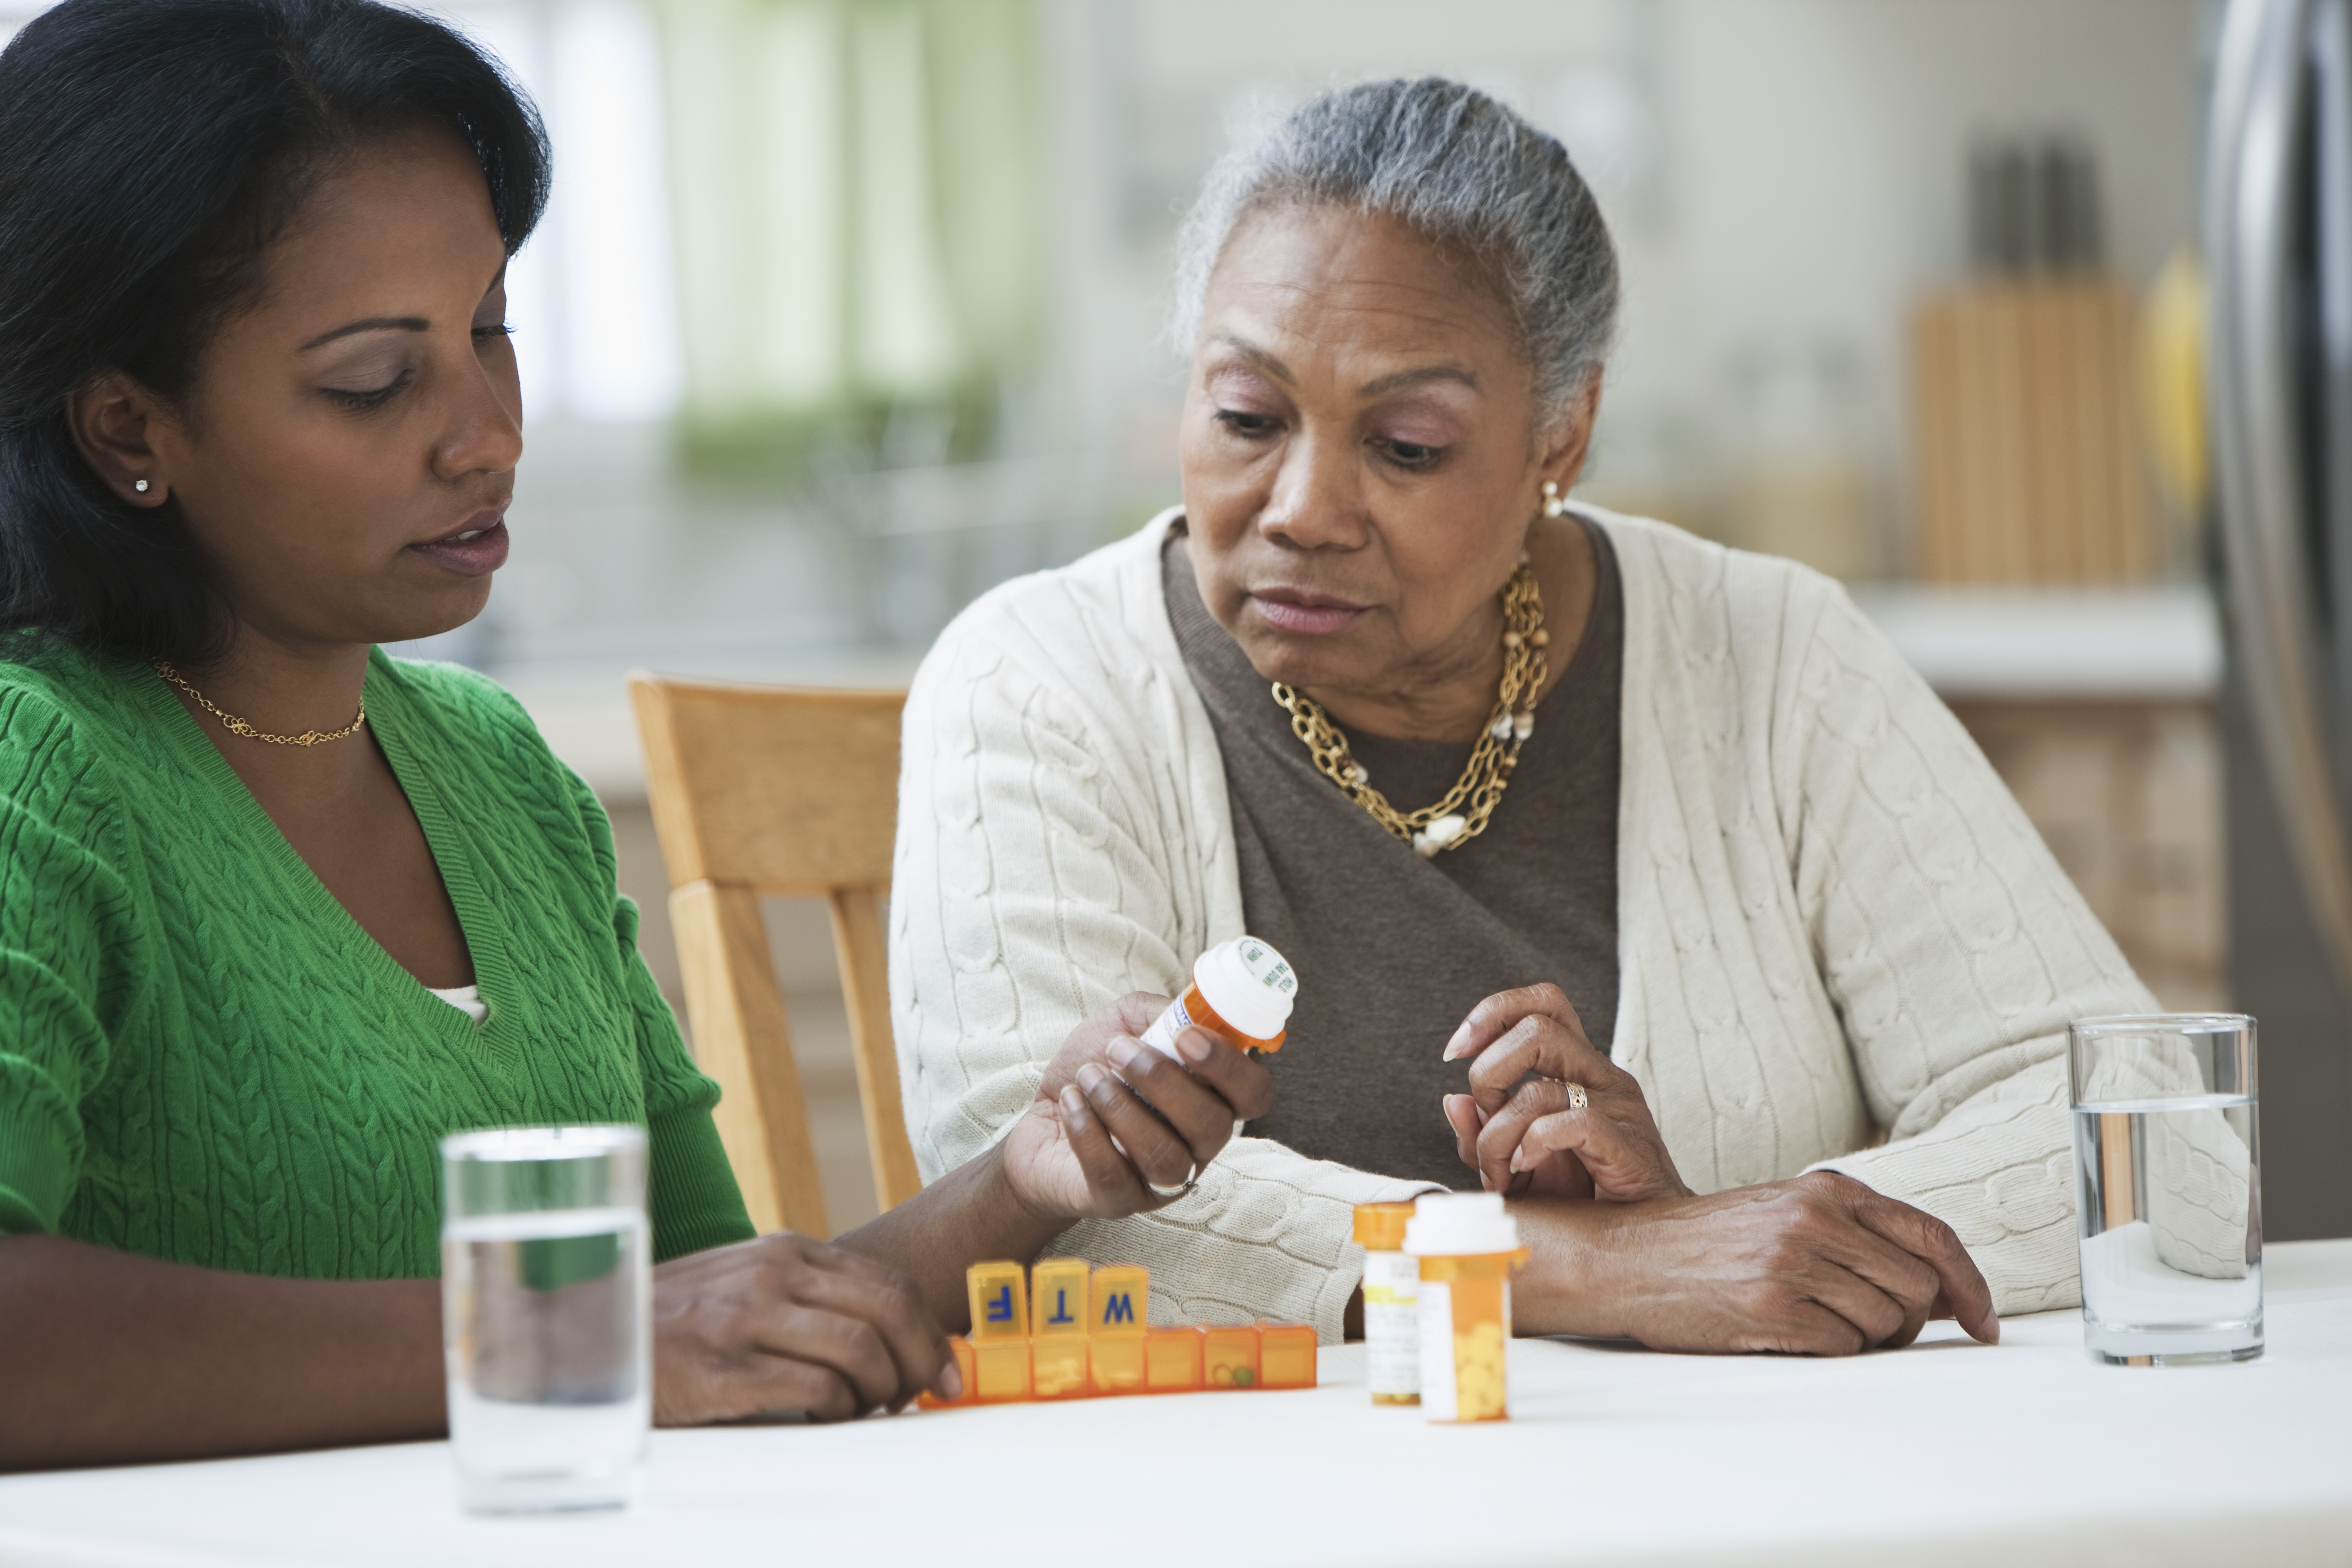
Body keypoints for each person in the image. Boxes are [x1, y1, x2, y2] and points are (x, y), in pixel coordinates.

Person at [0, 0, 1270, 1471]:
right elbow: (632, 1329)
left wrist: (1028, 1179)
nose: (487, 430)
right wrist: (569, 1331)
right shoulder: (39, 771)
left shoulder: (496, 774)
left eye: (490, 329)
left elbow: (715, 1312)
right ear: (126, 432)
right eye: (373, 379)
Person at [893, 78, 2154, 1354]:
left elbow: (2153, 1143)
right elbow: (1045, 1202)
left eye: (1409, 446)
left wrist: (1724, 1236)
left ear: (1566, 434)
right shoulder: (1035, 680)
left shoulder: (1774, 657)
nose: (1303, 509)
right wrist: (1614, 1269)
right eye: (1246, 418)